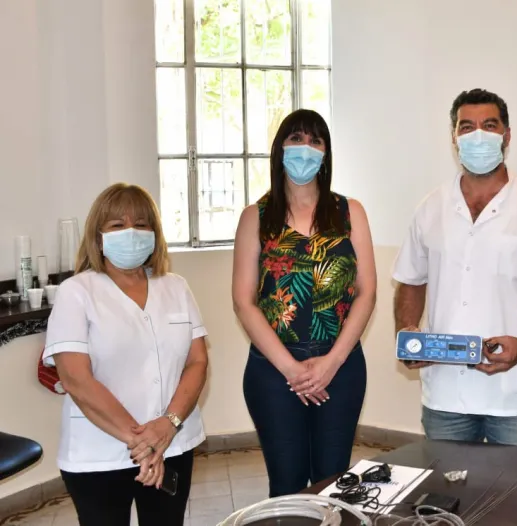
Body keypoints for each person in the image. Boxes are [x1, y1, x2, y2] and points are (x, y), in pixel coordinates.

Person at [392, 89, 517, 446]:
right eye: (467, 127)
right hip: (445, 394)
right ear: (454, 138)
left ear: (507, 135)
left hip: (513, 397)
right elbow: (411, 280)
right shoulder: (431, 207)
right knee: (443, 483)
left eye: (489, 126)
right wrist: (408, 334)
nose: (478, 136)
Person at [43, 183, 208, 525]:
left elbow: (197, 362)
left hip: (172, 444)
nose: (131, 232)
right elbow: (76, 380)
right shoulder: (76, 292)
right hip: (98, 456)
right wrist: (143, 442)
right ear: (98, 236)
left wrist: (168, 425)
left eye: (142, 224)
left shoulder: (175, 287)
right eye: (118, 224)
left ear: (155, 234)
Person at [233, 109, 376, 497]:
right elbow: (244, 302)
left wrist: (331, 363)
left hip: (341, 368)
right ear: (279, 149)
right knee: (287, 484)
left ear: (326, 153)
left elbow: (366, 292)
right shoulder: (256, 218)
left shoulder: (350, 212)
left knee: (333, 482)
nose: (305, 148)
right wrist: (292, 370)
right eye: (296, 139)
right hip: (273, 372)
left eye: (315, 141)